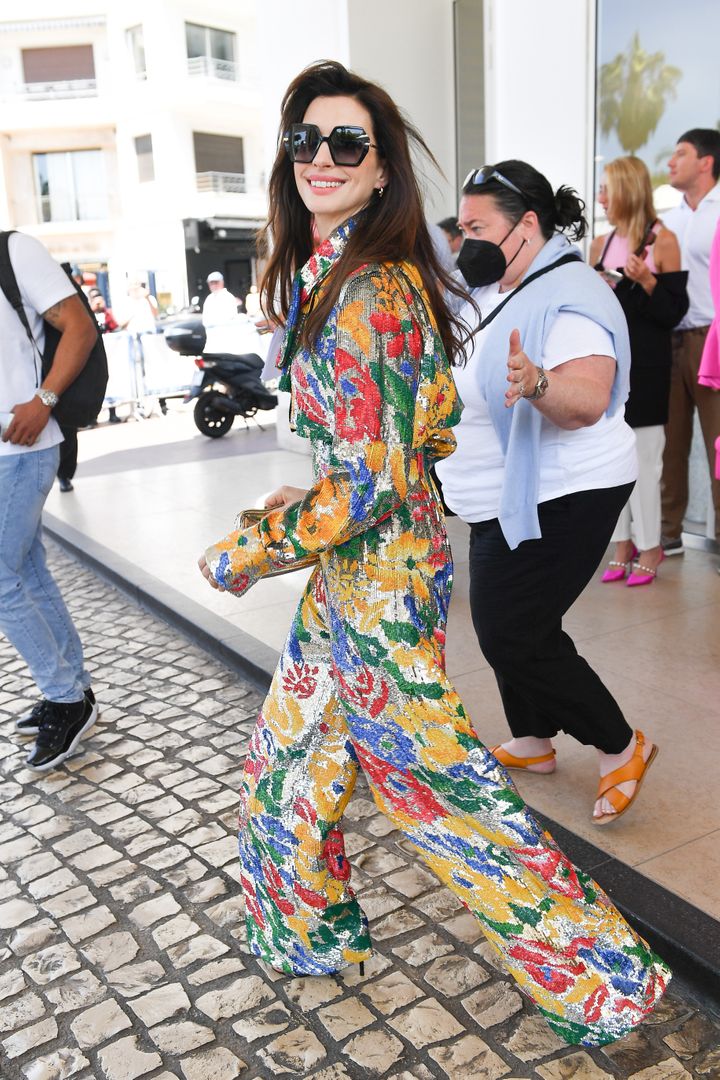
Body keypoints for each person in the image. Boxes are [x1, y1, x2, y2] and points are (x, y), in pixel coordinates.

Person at [198, 62, 668, 1046]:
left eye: (346, 143)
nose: (320, 158)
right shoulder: (339, 271)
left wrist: (251, 546)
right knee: (288, 768)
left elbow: (373, 482)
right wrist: (317, 488)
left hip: (383, 587)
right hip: (353, 576)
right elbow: (399, 445)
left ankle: (606, 980)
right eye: (304, 141)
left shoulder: (373, 285)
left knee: (442, 797)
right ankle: (309, 934)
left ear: (379, 172)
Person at [435, 160, 659, 825]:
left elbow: (588, 399)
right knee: (508, 619)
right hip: (502, 492)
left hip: (568, 490)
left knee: (513, 627)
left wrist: (537, 383)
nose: (464, 239)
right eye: (462, 225)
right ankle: (533, 738)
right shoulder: (499, 282)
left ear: (526, 225)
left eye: (478, 226)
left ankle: (621, 744)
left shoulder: (571, 295)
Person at [0, 230, 99, 769]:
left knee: (2, 576)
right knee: (28, 569)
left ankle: (64, 697)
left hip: (22, 446)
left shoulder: (13, 251)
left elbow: (78, 328)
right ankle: (73, 690)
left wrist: (44, 399)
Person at [591, 156, 688, 585]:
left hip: (647, 368)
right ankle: (622, 544)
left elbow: (673, 313)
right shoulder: (600, 243)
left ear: (627, 190)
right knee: (612, 458)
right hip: (608, 367)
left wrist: (648, 281)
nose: (601, 196)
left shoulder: (661, 240)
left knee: (646, 459)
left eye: (607, 188)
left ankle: (652, 545)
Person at [660, 129, 720, 555]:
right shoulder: (668, 220)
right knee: (670, 445)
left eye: (680, 153)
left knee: (718, 442)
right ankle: (669, 533)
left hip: (711, 341)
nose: (670, 161)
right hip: (669, 340)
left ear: (706, 161)